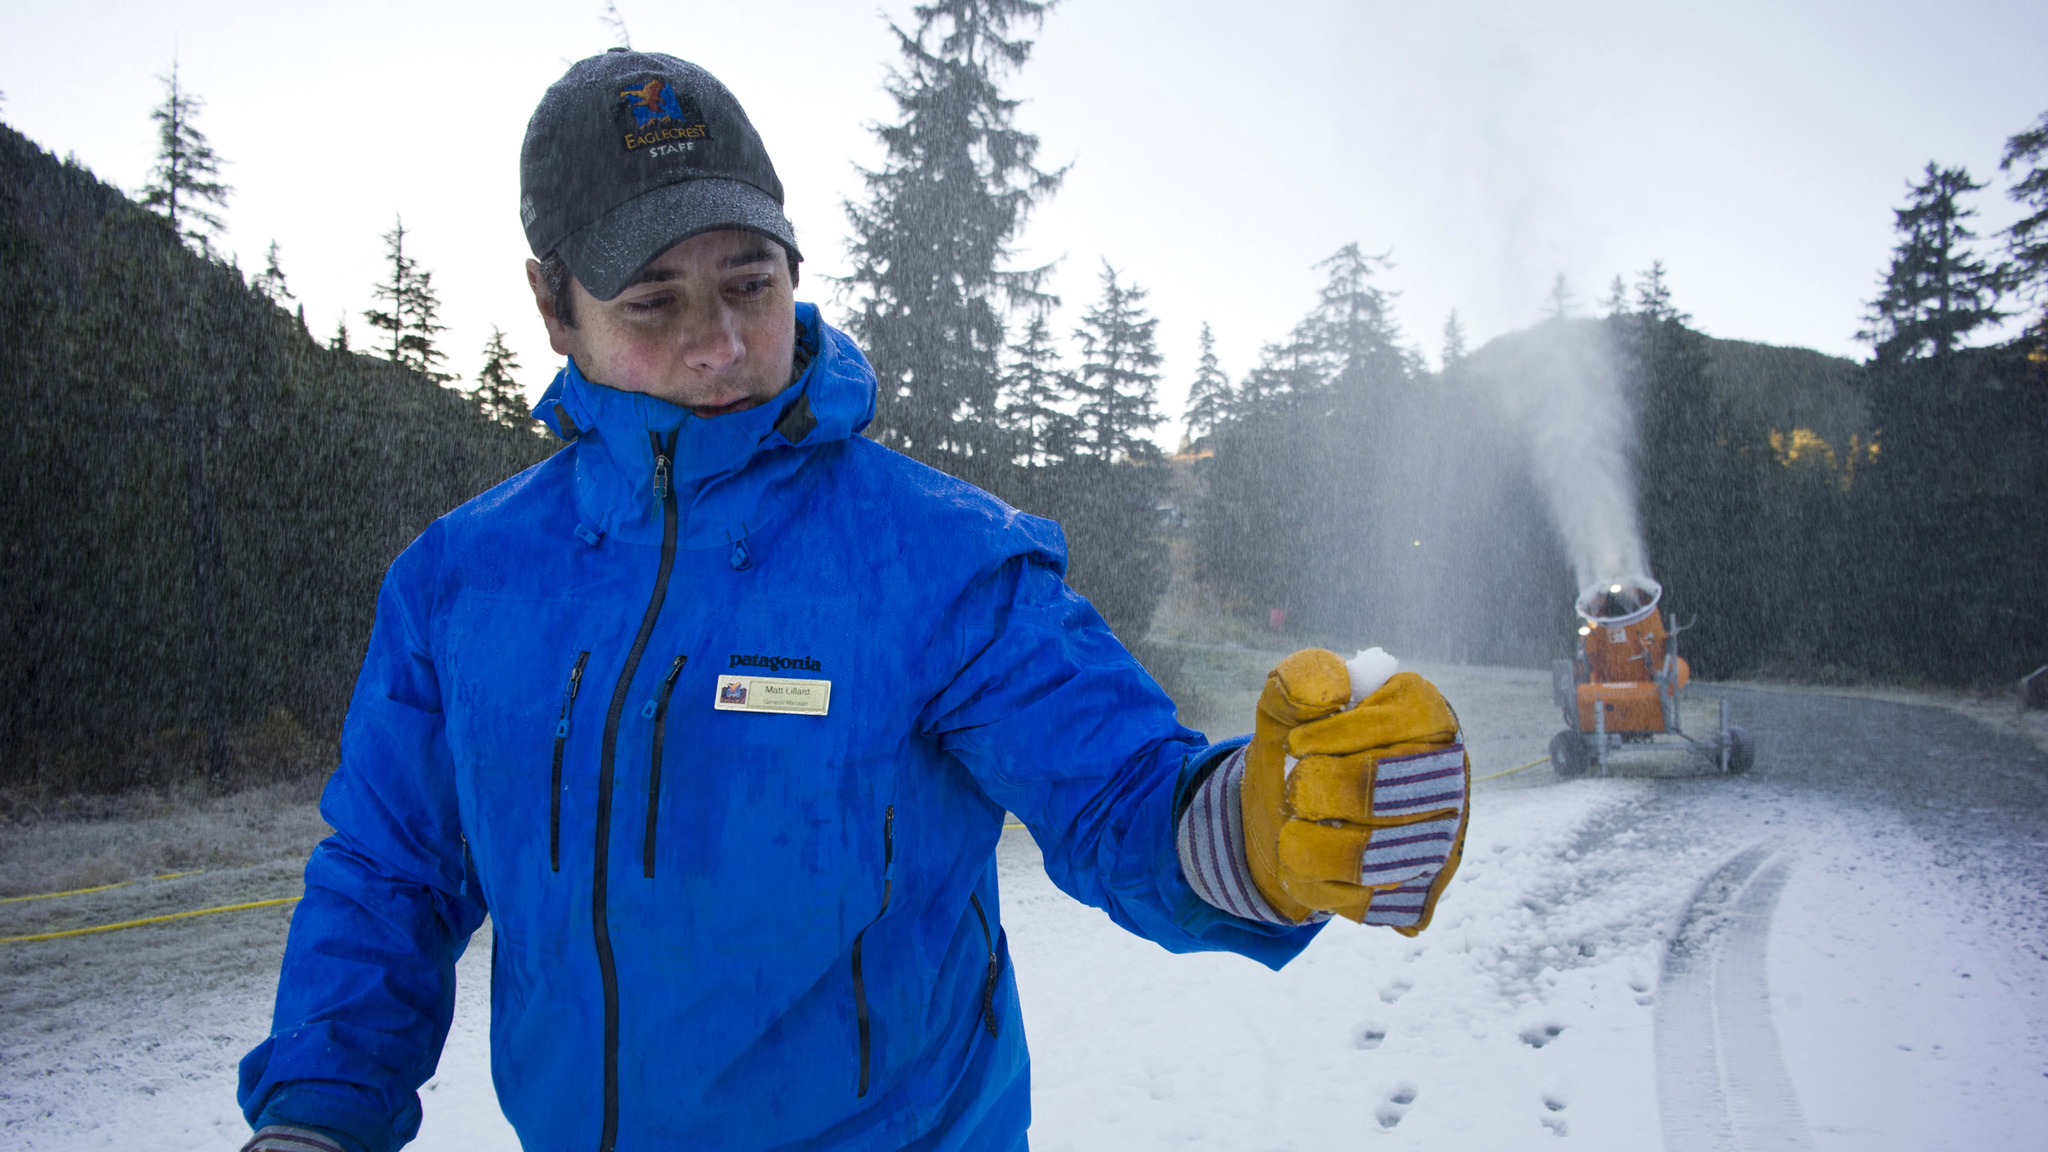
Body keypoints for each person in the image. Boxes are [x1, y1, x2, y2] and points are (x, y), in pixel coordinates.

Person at [238, 50, 1469, 1152]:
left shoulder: (940, 561)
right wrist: (313, 1120)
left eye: (748, 281)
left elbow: (1120, 796)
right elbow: (389, 878)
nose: (719, 342)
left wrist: (1256, 828)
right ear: (552, 303)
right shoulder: (460, 583)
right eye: (654, 301)